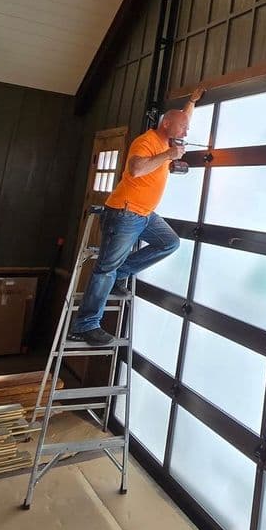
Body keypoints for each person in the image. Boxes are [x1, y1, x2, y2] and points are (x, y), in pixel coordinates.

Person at [69, 91, 203, 346]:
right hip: (125, 212)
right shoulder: (147, 142)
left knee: (169, 243)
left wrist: (192, 102)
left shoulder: (169, 139)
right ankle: (85, 325)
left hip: (144, 214)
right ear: (166, 124)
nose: (186, 132)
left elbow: (183, 117)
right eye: (183, 127)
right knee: (105, 268)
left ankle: (123, 272)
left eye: (187, 128)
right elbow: (136, 168)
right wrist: (167, 157)